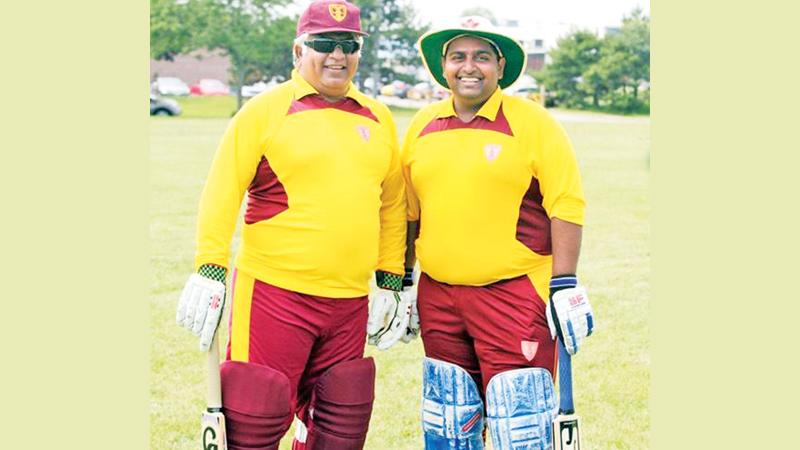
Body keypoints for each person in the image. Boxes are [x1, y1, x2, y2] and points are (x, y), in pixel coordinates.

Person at [174, 1, 413, 449]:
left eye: (349, 45)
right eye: (325, 44)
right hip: (274, 294)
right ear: (299, 49)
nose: (337, 56)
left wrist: (390, 279)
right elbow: (222, 191)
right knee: (255, 422)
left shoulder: (378, 118)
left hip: (348, 302)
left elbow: (392, 203)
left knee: (339, 429)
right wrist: (210, 267)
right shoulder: (264, 111)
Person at [396, 16, 595, 449]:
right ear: (443, 66)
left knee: (519, 427)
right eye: (459, 57)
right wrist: (404, 279)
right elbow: (409, 211)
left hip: (513, 295)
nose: (470, 67)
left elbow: (566, 203)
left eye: (482, 57)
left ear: (500, 66)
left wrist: (564, 283)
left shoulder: (533, 123)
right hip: (439, 297)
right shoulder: (422, 126)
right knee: (449, 423)